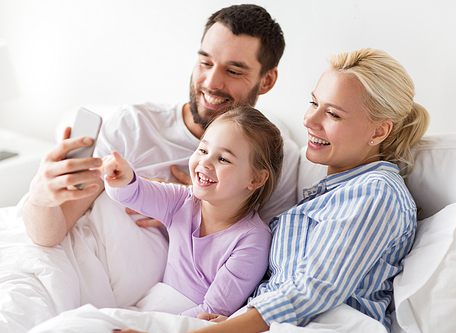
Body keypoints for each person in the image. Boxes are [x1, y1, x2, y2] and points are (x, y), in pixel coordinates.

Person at [119, 48, 427, 333]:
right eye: (313, 103)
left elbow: (311, 290)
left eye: (332, 114)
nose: (309, 120)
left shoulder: (375, 194)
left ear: (379, 131)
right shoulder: (326, 193)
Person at [22, 4, 299, 247]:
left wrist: (200, 203)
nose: (212, 82)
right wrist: (40, 198)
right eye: (205, 62)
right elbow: (51, 234)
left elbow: (264, 260)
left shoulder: (274, 157)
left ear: (267, 81)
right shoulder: (134, 127)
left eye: (234, 71)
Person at [100, 106, 283, 318]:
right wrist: (122, 178)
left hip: (188, 322)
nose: (205, 162)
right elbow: (133, 193)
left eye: (223, 159)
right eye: (203, 150)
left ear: (256, 179)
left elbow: (212, 312)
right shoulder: (182, 201)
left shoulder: (252, 239)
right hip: (152, 305)